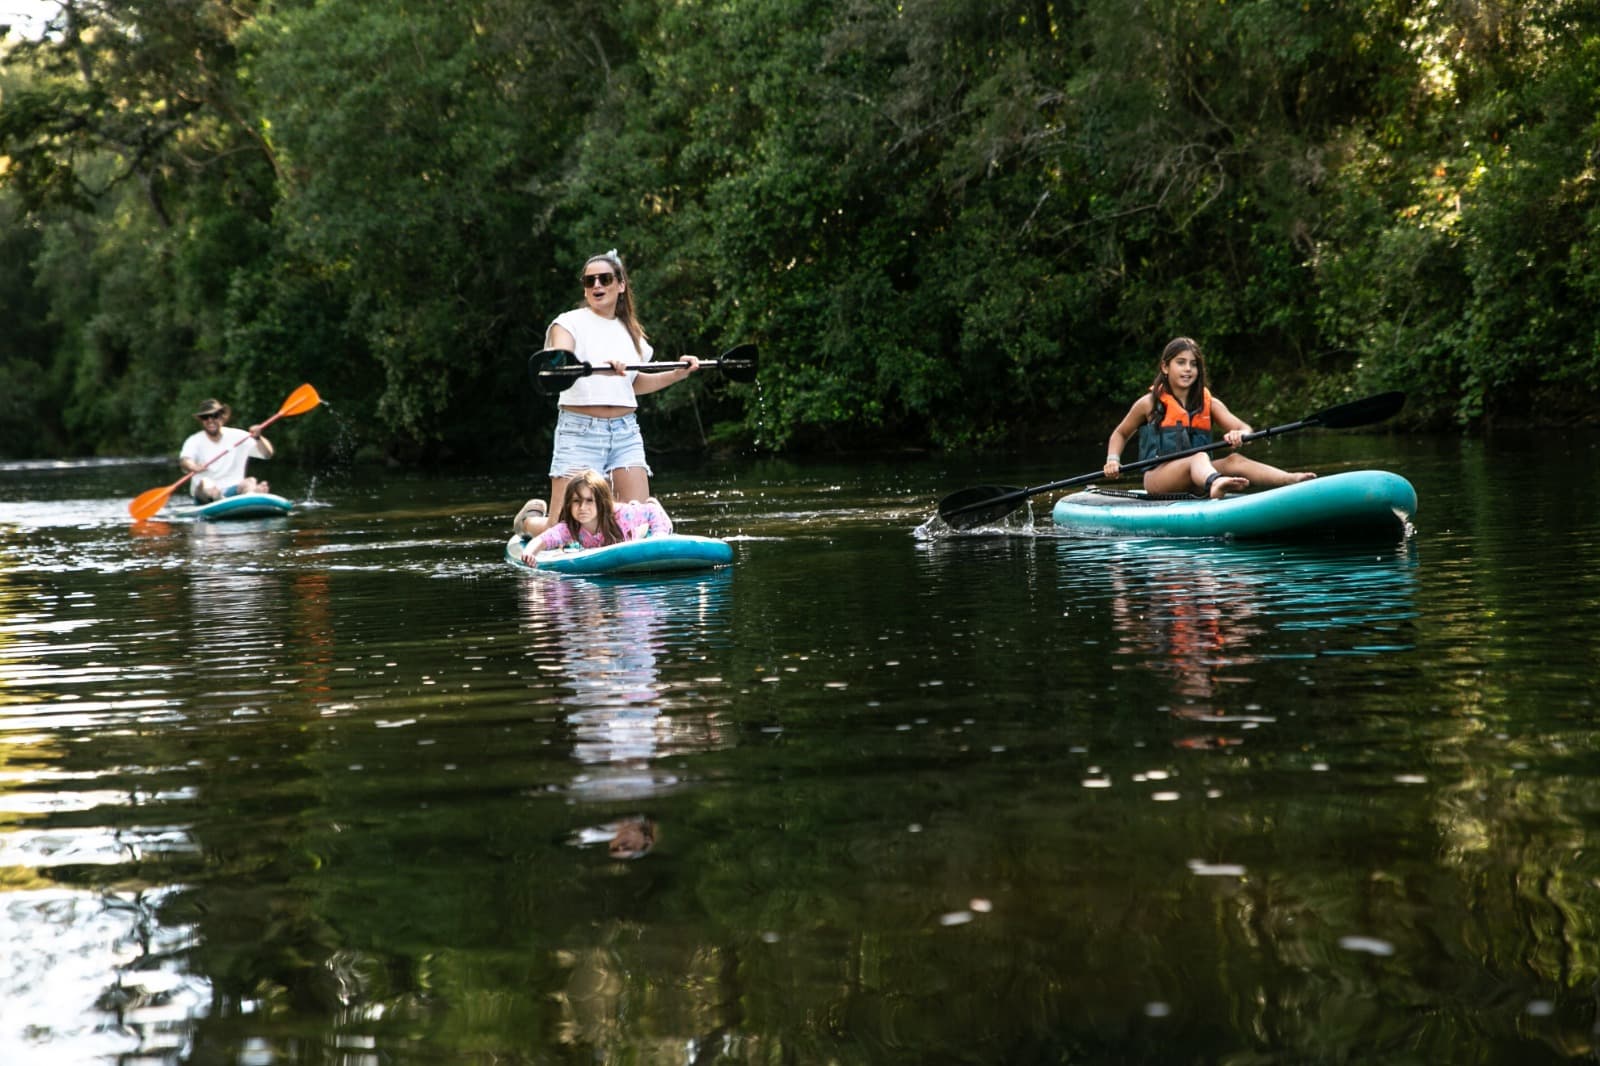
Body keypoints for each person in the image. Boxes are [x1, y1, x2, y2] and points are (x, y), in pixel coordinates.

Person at [513, 249, 699, 536]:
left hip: (626, 432)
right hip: (580, 431)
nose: (597, 285)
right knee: (565, 527)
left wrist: (678, 374)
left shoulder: (634, 335)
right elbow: (559, 362)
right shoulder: (569, 322)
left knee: (635, 522)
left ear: (621, 284)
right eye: (590, 281)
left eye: (605, 279)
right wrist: (600, 366)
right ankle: (527, 522)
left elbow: (632, 385)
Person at [1102, 337, 1316, 499]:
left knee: (1234, 460)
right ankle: (1216, 484)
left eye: (1193, 364)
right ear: (1165, 367)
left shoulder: (1210, 404)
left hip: (1198, 475)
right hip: (1160, 478)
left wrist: (1239, 434)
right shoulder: (1149, 403)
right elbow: (1121, 433)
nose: (1188, 369)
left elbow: (1244, 427)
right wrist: (1113, 460)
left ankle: (1289, 479)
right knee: (1199, 457)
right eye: (1181, 362)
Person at [521, 469, 674, 561]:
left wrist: (658, 538)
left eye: (589, 501)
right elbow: (543, 539)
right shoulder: (570, 527)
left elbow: (652, 514)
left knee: (643, 527)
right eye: (576, 501)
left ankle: (651, 503)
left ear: (601, 502)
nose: (582, 507)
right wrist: (529, 552)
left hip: (638, 521)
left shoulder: (621, 515)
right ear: (569, 503)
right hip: (620, 534)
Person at [179, 398, 273, 502]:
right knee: (205, 483)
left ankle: (251, 495)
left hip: (233, 491)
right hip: (205, 495)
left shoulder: (239, 436)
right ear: (201, 420)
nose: (210, 420)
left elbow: (267, 454)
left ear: (222, 417)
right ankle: (219, 497)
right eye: (205, 417)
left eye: (214, 416)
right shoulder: (194, 440)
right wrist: (193, 467)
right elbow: (185, 460)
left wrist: (258, 438)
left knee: (250, 481)